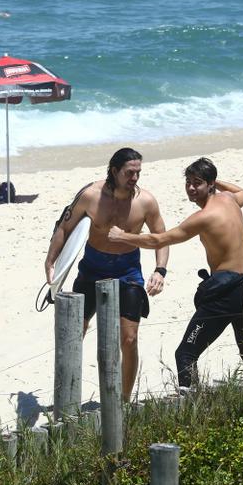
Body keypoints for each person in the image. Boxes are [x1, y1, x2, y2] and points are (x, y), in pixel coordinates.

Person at [108, 157, 243, 389]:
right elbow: (242, 192)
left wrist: (123, 237)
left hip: (226, 294)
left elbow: (160, 239)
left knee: (185, 354)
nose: (191, 188)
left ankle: (192, 407)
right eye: (188, 182)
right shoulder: (230, 200)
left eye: (197, 183)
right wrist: (215, 183)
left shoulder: (204, 217)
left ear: (210, 184)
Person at [44, 147, 169, 402]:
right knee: (74, 330)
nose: (134, 178)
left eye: (138, 172)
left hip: (128, 270)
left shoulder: (145, 201)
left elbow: (161, 237)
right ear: (114, 170)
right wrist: (51, 261)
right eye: (129, 172)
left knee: (130, 338)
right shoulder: (90, 196)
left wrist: (160, 270)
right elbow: (64, 227)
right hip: (92, 267)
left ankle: (123, 400)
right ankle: (67, 395)